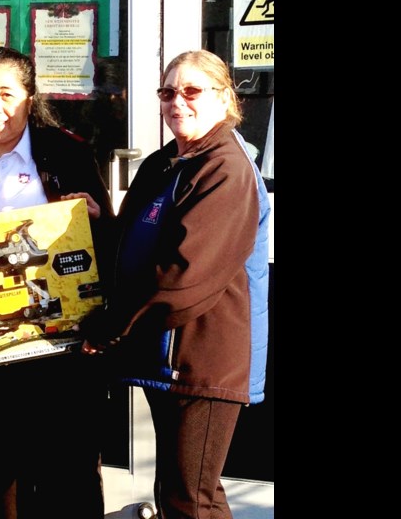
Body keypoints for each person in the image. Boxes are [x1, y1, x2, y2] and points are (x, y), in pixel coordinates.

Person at [79, 50, 270, 519]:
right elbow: (139, 243)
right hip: (168, 354)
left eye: (191, 91)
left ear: (224, 98)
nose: (176, 102)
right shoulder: (168, 162)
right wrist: (102, 225)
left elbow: (187, 274)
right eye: (167, 92)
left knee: (192, 499)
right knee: (178, 492)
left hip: (205, 359)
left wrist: (112, 326)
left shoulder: (225, 167)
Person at [0, 46, 113, 519]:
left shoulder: (66, 154)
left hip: (59, 350)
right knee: (1, 472)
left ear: (30, 100)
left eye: (7, 94)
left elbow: (106, 244)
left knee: (67, 474)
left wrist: (95, 221)